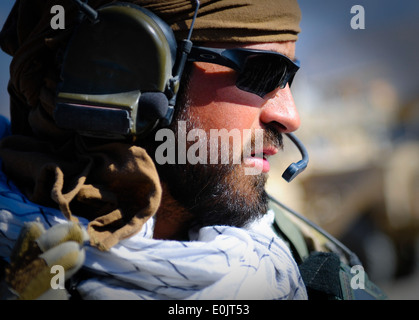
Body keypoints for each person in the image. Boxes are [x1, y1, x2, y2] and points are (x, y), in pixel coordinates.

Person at [0, 0, 385, 300]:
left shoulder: (296, 255)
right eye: (263, 73)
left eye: (289, 79)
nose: (289, 116)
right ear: (125, 71)